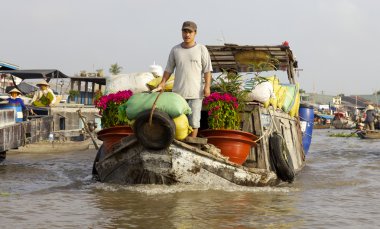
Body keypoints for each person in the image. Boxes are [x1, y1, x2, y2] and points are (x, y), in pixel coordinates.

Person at [156, 21, 213, 137]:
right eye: (184, 31)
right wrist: (162, 83)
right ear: (181, 32)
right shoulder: (175, 50)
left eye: (190, 32)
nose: (187, 34)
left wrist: (207, 87)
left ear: (195, 33)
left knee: (194, 122)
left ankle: (192, 146)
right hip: (178, 94)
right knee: (178, 122)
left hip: (196, 93)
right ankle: (180, 145)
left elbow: (207, 70)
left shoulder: (201, 49)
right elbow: (169, 69)